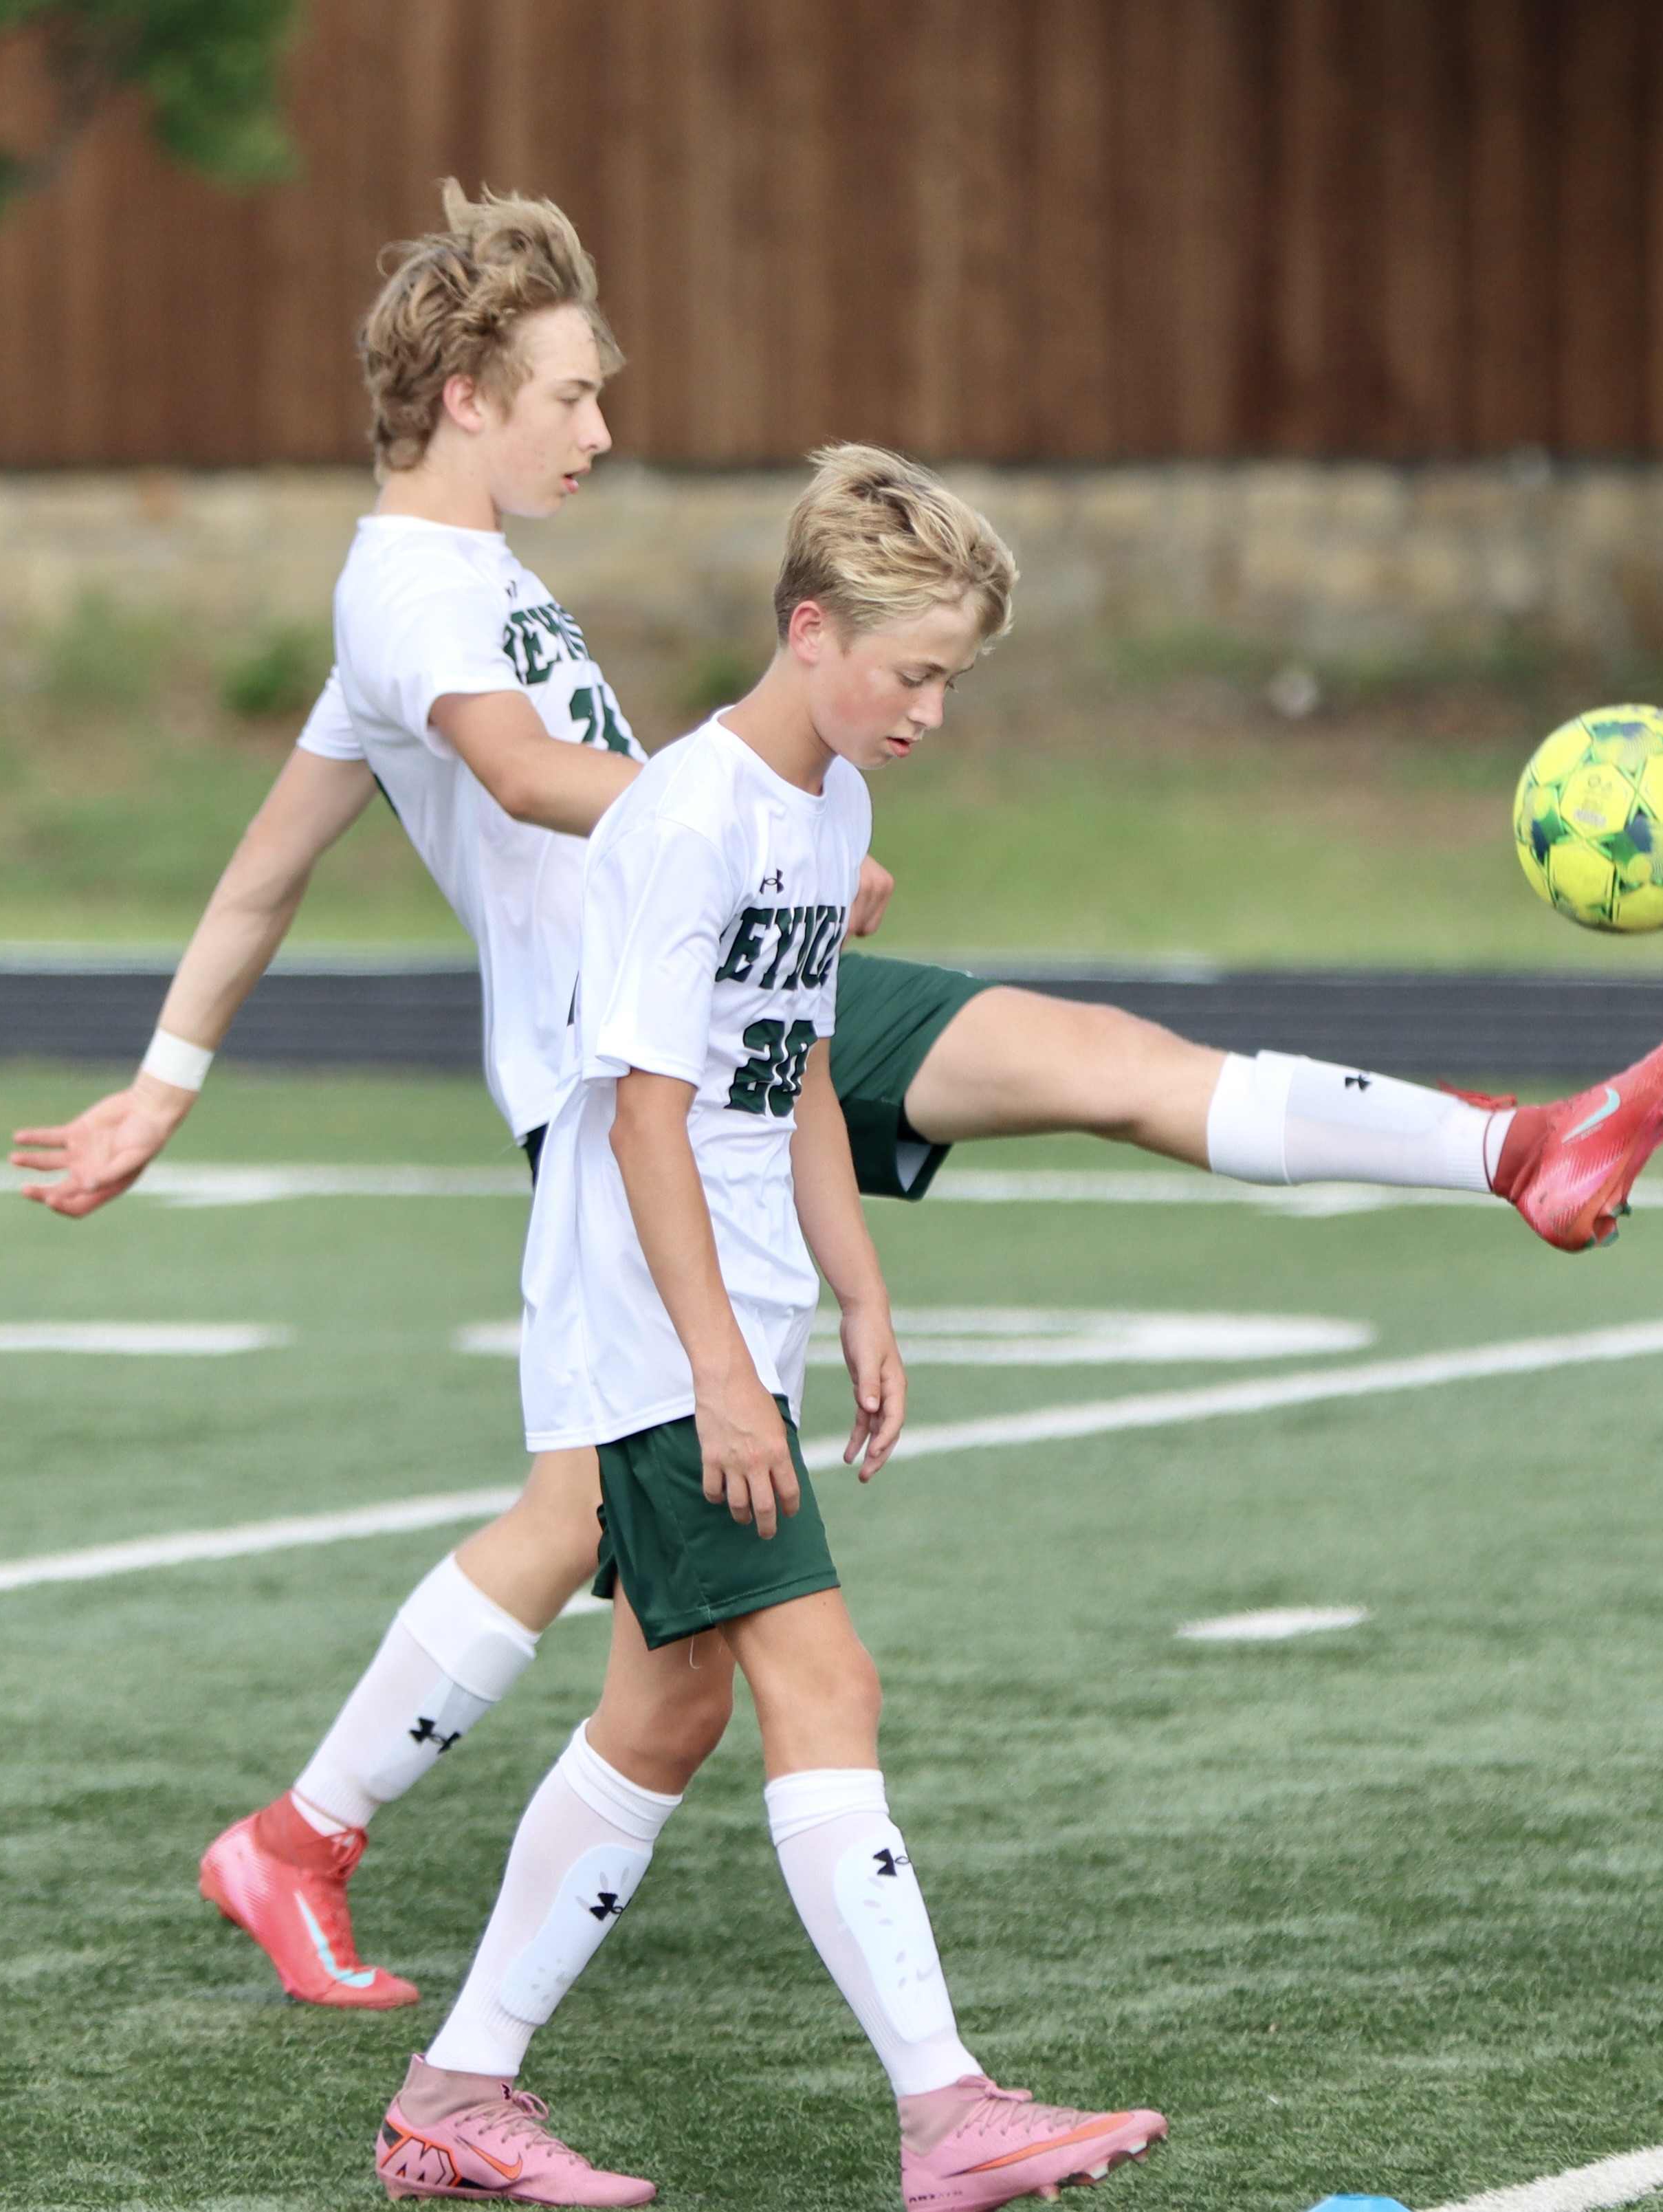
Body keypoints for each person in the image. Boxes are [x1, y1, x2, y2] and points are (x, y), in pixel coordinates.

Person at [5, 182, 1663, 2015]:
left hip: (740, 992)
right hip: (639, 1060)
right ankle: (309, 1857)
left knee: (1079, 1065)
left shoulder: (463, 580)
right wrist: (751, 829)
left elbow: (267, 866)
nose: (600, 429)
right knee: (595, 1535)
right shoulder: (412, 585)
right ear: (463, 395)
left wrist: (162, 1082)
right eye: (572, 395)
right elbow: (514, 774)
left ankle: (1519, 1148)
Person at [371, 450, 1160, 2209]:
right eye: (912, 672)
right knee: (825, 1679)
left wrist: (859, 1286)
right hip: (657, 1332)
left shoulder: (829, 808)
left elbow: (789, 1066)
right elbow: (645, 1117)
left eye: (952, 679)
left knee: (665, 1714)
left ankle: (455, 2093)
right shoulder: (687, 817)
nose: (931, 711)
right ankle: (946, 2114)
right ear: (810, 633)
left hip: (737, 1310)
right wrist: (722, 1378)